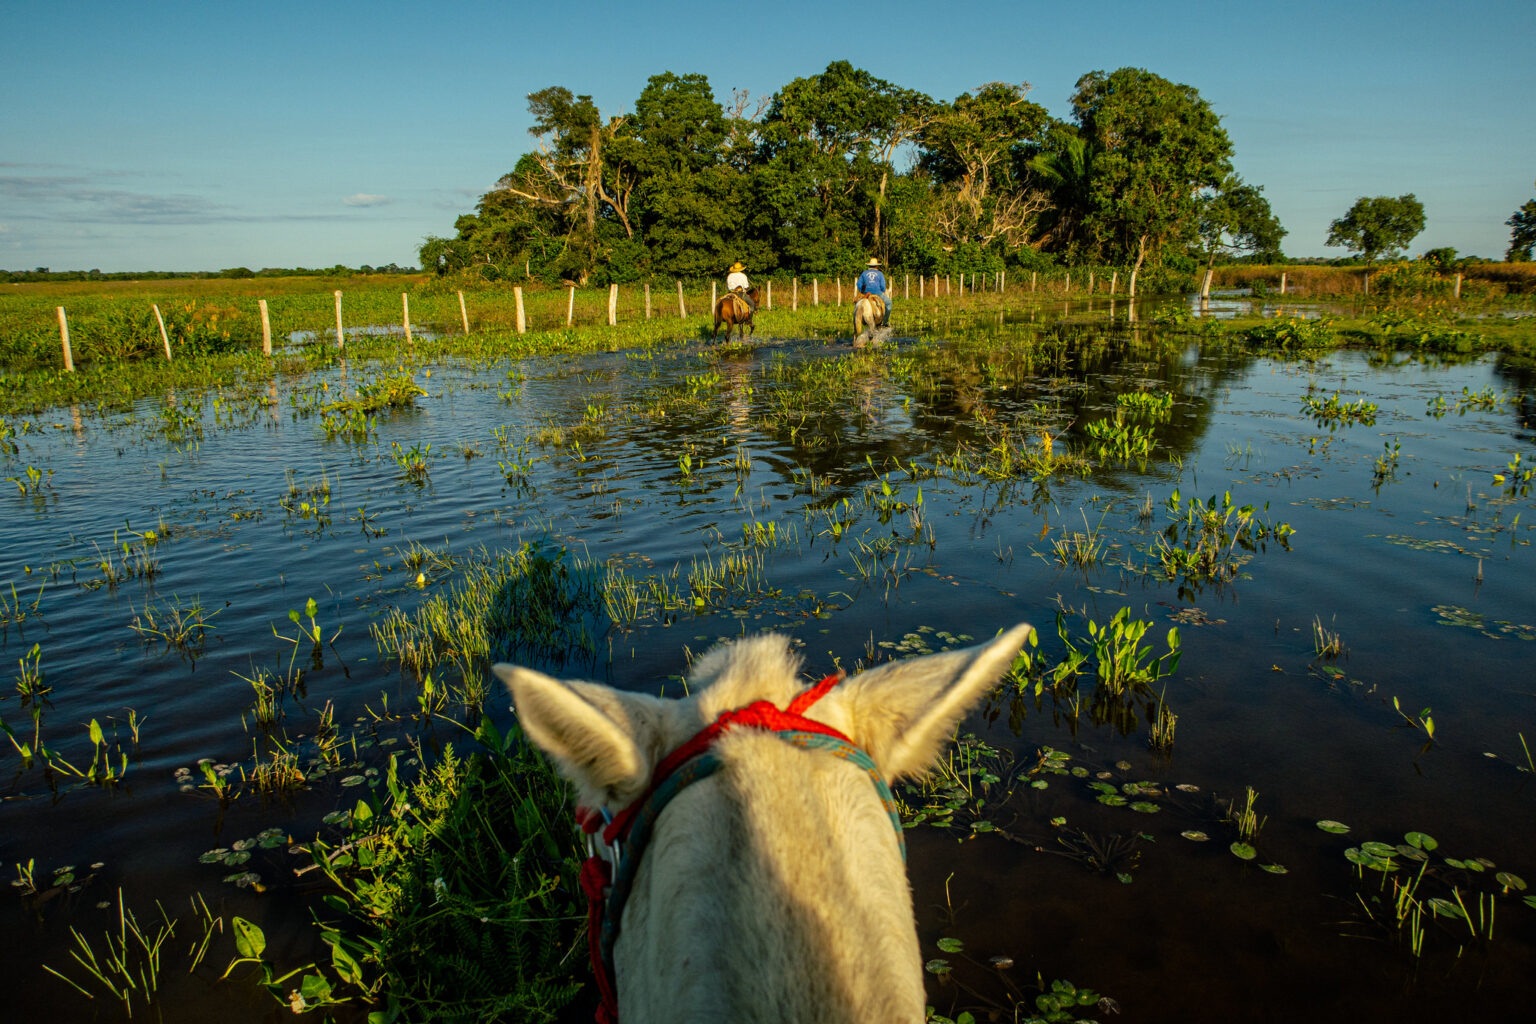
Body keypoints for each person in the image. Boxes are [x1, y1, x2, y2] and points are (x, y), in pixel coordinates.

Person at [855, 257, 890, 326]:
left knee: (857, 303)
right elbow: (883, 287)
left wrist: (862, 291)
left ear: (869, 265)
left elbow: (859, 284)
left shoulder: (864, 273)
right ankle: (885, 322)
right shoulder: (880, 274)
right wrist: (881, 290)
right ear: (877, 266)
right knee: (889, 304)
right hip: (877, 293)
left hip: (866, 293)